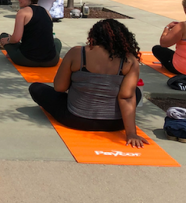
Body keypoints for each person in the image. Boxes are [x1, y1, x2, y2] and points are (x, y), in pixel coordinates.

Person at [29, 19, 146, 148]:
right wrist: (131, 134)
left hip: (75, 119)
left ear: (93, 36)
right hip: (116, 123)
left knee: (36, 88)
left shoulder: (77, 52)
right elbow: (126, 97)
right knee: (134, 92)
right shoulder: (130, 60)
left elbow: (59, 87)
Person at [0, 0, 61, 67]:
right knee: (57, 41)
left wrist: (7, 41)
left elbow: (16, 39)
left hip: (26, 59)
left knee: (3, 36)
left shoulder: (22, 12)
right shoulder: (47, 12)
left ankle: (11, 51)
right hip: (51, 61)